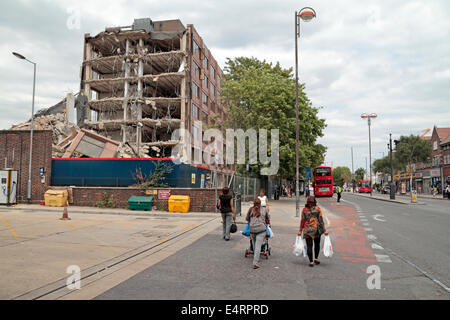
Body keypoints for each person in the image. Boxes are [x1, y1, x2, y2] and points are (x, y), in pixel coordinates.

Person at [298, 196, 328, 267]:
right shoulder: (318, 209)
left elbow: (302, 221)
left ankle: (311, 261)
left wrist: (300, 231)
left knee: (309, 246)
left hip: (307, 230)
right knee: (317, 244)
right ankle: (316, 259)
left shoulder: (304, 210)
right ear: (315, 201)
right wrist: (324, 230)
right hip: (316, 229)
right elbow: (321, 221)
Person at [246, 198, 270, 269]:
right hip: (261, 230)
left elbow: (247, 219)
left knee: (254, 245)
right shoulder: (264, 209)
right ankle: (255, 262)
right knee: (258, 246)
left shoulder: (250, 209)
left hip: (252, 229)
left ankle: (256, 258)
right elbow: (268, 218)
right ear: (260, 204)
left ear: (253, 204)